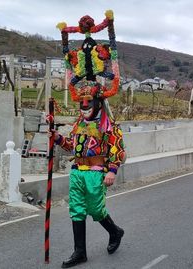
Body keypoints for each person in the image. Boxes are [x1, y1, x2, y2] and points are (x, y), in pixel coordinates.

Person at [54, 11, 126, 268]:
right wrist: (58, 139)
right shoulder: (79, 124)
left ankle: (115, 231)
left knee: (96, 210)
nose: (84, 106)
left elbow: (118, 147)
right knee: (76, 209)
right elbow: (73, 146)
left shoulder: (107, 124)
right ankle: (79, 252)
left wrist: (113, 170)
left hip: (97, 171)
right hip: (77, 170)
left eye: (88, 103)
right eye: (82, 103)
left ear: (97, 102)